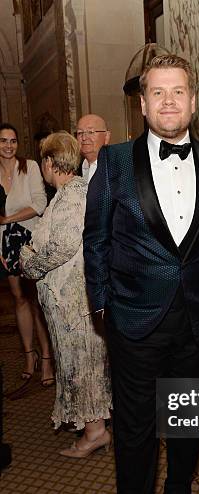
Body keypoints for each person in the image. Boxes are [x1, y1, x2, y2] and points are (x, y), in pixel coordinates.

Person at [83, 54, 199, 494]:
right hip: (134, 323)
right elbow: (94, 239)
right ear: (142, 104)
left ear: (193, 100)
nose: (169, 101)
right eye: (158, 93)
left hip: (196, 319)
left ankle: (180, 493)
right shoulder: (114, 162)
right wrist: (103, 306)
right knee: (138, 436)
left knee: (188, 423)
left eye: (179, 92)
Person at [19, 131, 111, 455]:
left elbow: (64, 245)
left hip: (72, 300)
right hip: (69, 299)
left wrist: (30, 263)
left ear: (49, 161)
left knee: (81, 365)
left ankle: (95, 431)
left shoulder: (72, 194)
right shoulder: (67, 193)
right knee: (81, 363)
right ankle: (95, 426)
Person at [0, 122, 54, 386]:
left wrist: (7, 219)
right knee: (19, 298)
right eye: (3, 141)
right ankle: (28, 356)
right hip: (6, 243)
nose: (8, 146)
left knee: (36, 300)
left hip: (31, 239)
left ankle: (46, 358)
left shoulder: (29, 166)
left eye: (12, 141)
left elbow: (40, 204)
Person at [75, 114, 111, 183]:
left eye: (90, 132)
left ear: (106, 137)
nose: (84, 138)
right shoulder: (73, 170)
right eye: (80, 133)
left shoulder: (116, 169)